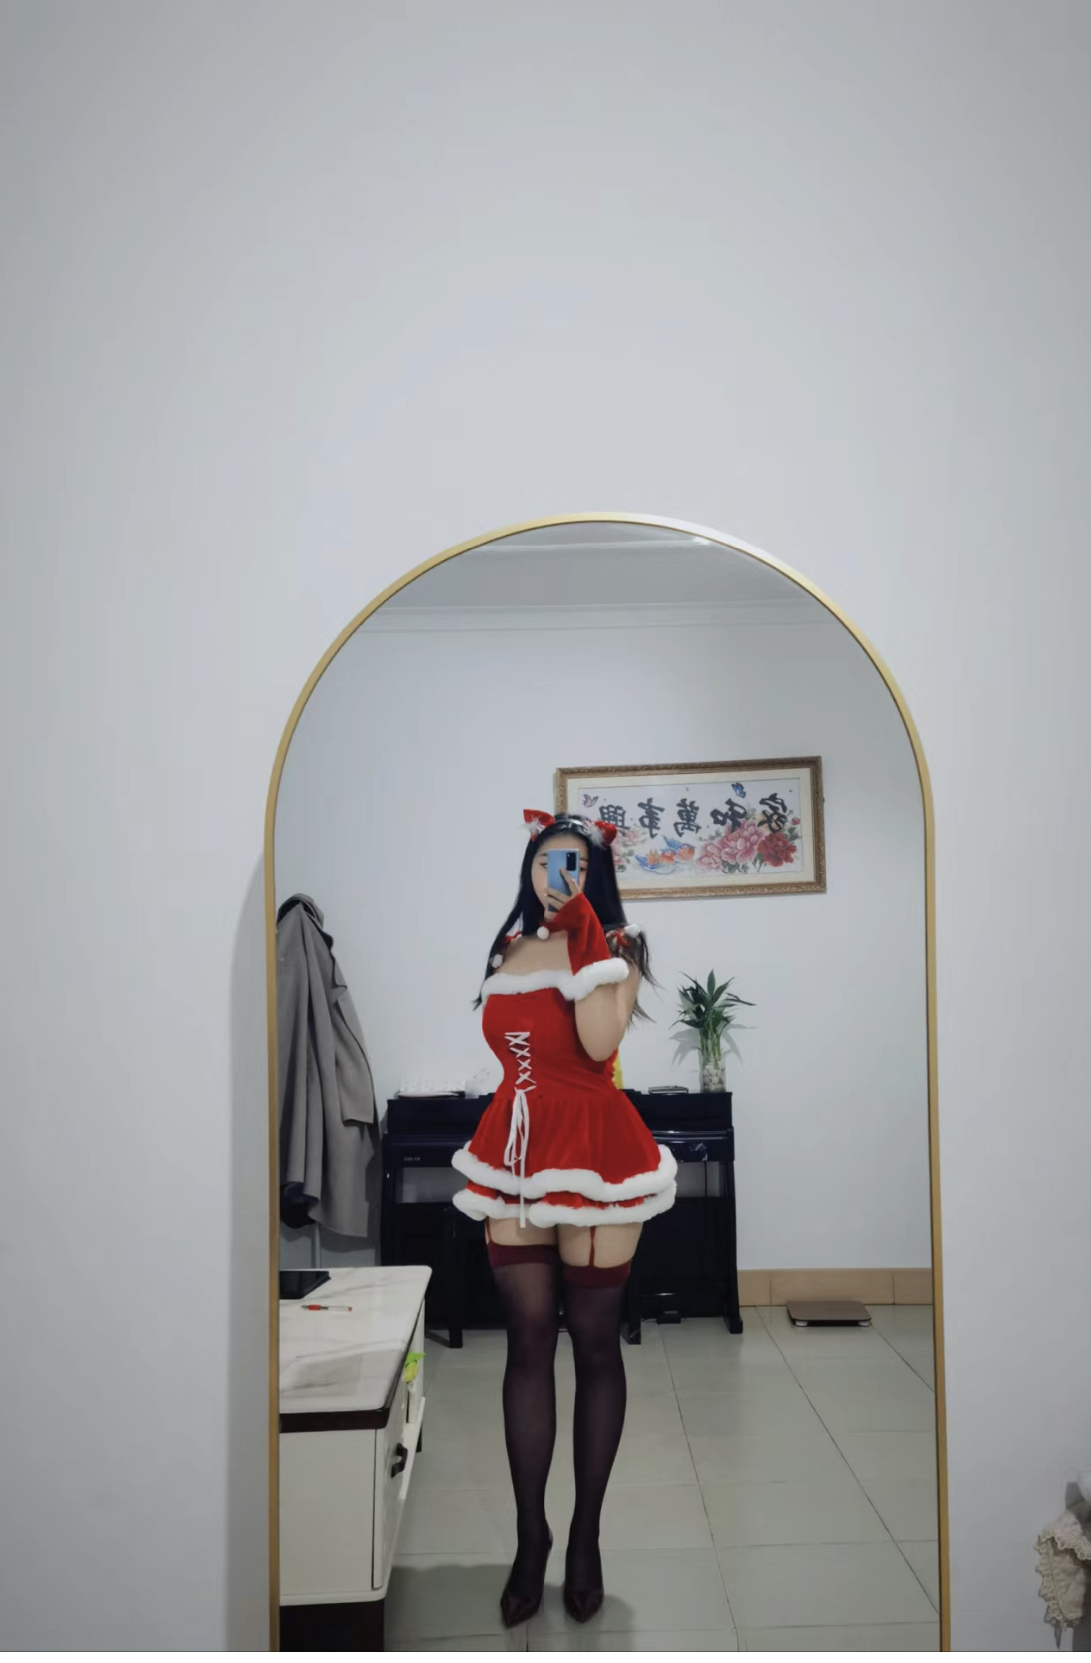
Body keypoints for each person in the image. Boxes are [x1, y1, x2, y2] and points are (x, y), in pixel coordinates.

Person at [452, 809, 677, 1626]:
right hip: (514, 1149)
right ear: (528, 867)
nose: (558, 875)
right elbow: (504, 1048)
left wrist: (584, 931)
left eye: (574, 864)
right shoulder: (507, 948)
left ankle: (585, 1535)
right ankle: (531, 1538)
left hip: (594, 1150)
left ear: (596, 875)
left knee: (594, 1343)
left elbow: (594, 1041)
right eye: (546, 861)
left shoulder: (616, 946)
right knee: (525, 1346)